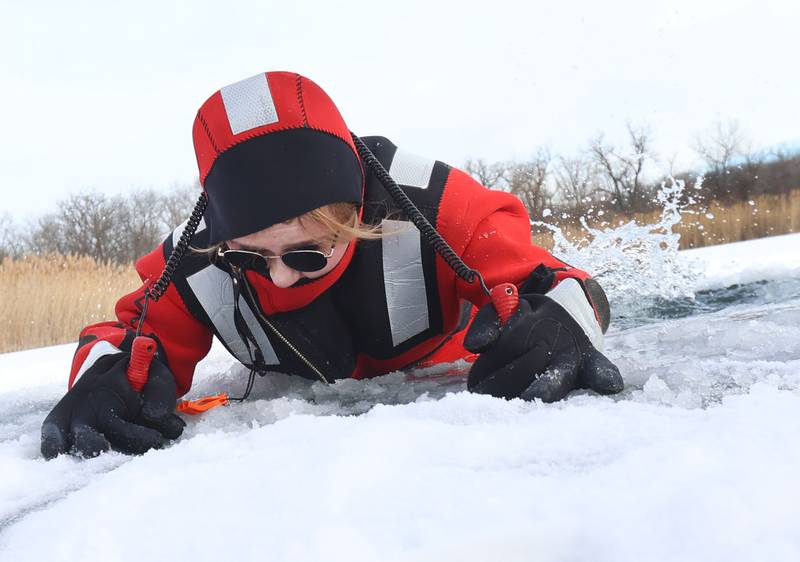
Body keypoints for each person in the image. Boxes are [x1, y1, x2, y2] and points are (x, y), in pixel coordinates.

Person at [41, 71, 623, 459]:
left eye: (305, 252)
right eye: (249, 255)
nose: (279, 277)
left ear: (356, 218)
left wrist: (559, 321)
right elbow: (126, 335)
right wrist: (102, 376)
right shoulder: (193, 261)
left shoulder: (438, 208)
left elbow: (559, 283)